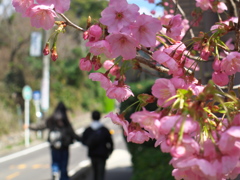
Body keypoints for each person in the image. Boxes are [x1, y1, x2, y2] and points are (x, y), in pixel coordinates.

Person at [30, 101, 81, 180]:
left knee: (55, 162)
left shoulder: (51, 119)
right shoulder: (65, 120)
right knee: (63, 165)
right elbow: (72, 133)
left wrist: (30, 127)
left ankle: (55, 173)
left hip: (54, 146)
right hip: (64, 146)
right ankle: (63, 177)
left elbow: (41, 126)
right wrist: (82, 139)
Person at [82, 110, 114, 180]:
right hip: (102, 154)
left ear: (92, 117)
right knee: (101, 173)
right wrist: (109, 151)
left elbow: (83, 141)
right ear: (100, 117)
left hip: (92, 154)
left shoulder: (88, 130)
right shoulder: (104, 129)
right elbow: (110, 142)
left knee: (95, 173)